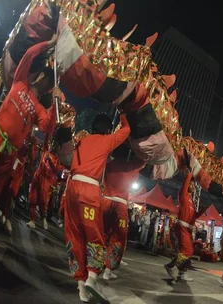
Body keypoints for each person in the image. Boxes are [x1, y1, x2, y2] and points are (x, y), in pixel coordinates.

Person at [64, 112, 130, 303]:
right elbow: (126, 130)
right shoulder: (105, 141)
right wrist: (124, 113)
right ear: (108, 130)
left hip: (71, 188)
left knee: (74, 236)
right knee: (95, 236)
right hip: (89, 190)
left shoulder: (81, 141)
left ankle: (81, 289)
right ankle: (92, 278)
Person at [0, 39, 61, 207]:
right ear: (40, 76)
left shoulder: (40, 109)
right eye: (49, 81)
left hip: (9, 153)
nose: (48, 87)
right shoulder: (20, 81)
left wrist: (55, 104)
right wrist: (50, 43)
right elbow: (30, 53)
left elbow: (48, 127)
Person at [101, 158, 145, 281]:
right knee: (118, 238)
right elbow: (145, 159)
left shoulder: (107, 163)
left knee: (100, 234)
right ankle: (107, 271)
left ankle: (91, 266)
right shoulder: (131, 166)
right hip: (120, 205)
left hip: (105, 201)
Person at [164, 166, 197, 282]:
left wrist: (201, 211)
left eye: (194, 185)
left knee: (186, 252)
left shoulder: (192, 201)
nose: (193, 187)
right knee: (187, 251)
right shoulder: (183, 195)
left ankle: (181, 273)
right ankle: (170, 266)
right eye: (191, 185)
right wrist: (190, 173)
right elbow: (186, 184)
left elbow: (192, 217)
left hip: (188, 229)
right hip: (182, 227)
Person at [27, 148, 66, 230]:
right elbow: (47, 139)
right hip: (37, 176)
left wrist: (50, 161)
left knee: (43, 201)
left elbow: (56, 170)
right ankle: (32, 220)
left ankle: (44, 219)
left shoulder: (59, 160)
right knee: (33, 198)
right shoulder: (46, 151)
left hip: (47, 181)